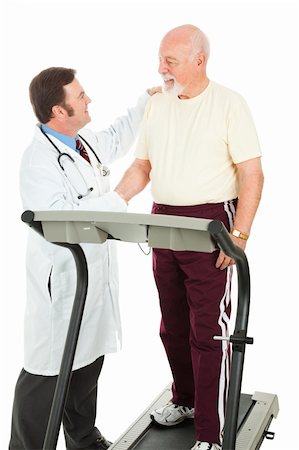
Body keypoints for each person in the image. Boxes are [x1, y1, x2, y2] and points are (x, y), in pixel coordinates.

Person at [114, 24, 264, 450]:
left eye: (170, 61)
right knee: (172, 324)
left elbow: (252, 173)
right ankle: (185, 400)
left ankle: (210, 433)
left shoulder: (230, 104)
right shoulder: (157, 104)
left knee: (208, 330)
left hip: (212, 222)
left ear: (199, 60)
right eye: (161, 59)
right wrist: (115, 202)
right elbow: (142, 167)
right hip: (163, 221)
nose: (161, 68)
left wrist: (239, 236)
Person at [9, 67, 160, 450]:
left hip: (92, 284)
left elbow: (115, 137)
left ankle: (82, 440)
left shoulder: (82, 143)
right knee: (46, 378)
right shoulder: (38, 161)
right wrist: (122, 195)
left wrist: (147, 99)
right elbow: (64, 222)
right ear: (59, 111)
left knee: (87, 366)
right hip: (61, 290)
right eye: (80, 96)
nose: (88, 99)